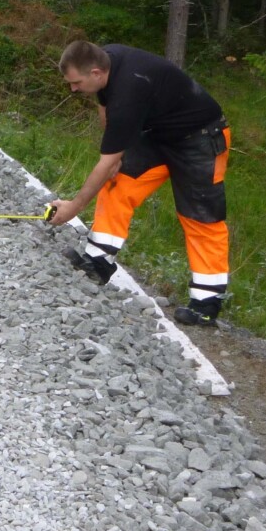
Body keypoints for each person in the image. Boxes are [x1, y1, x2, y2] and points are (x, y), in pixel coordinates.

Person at [47, 40, 231, 326]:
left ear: (96, 73)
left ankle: (207, 302)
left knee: (200, 217)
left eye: (76, 83)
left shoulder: (129, 91)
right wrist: (117, 152)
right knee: (116, 182)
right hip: (159, 136)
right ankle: (97, 261)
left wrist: (73, 208)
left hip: (202, 138)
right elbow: (105, 107)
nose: (72, 89)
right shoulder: (107, 61)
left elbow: (105, 159)